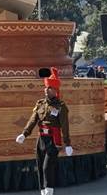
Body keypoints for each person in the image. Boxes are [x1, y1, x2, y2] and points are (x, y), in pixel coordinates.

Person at [16, 67, 73, 195]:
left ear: (55, 91)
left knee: (47, 167)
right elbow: (33, 120)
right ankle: (43, 190)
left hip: (54, 140)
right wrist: (24, 134)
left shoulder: (61, 107)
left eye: (49, 88)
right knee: (40, 166)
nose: (46, 90)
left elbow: (65, 125)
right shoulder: (40, 104)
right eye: (46, 88)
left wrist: (68, 143)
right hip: (41, 139)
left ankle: (49, 190)